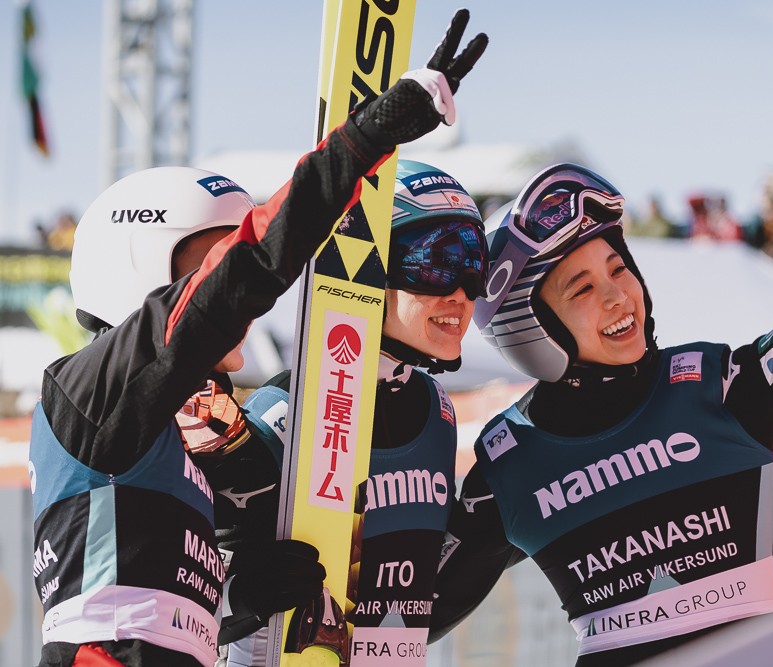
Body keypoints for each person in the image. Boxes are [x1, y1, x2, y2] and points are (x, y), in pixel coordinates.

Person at [428, 81, 773, 665]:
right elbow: (410, 613)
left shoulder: (719, 387)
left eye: (618, 268)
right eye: (581, 289)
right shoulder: (509, 461)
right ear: (530, 328)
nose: (617, 296)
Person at [27, 10, 487, 667]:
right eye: (209, 266)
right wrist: (365, 141)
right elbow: (248, 272)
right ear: (141, 268)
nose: (240, 303)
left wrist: (244, 599)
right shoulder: (90, 394)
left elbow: (161, 605)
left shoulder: (196, 433)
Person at [218, 160, 487, 666]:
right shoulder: (287, 406)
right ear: (370, 269)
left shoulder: (436, 409)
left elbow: (424, 598)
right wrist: (247, 596)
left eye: (476, 266)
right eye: (438, 264)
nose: (461, 292)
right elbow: (185, 595)